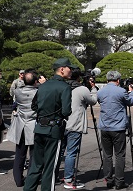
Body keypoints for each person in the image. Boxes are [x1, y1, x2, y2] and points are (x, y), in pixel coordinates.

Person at [23, 58, 73, 191]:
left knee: (36, 165)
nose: (71, 70)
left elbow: (34, 106)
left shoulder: (43, 85)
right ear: (62, 69)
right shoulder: (65, 87)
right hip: (53, 130)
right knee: (50, 167)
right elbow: (66, 111)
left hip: (39, 128)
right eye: (69, 68)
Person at [59, 67, 98, 189]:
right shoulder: (82, 89)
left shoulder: (62, 87)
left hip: (61, 123)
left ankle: (55, 175)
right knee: (71, 153)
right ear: (79, 77)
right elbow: (93, 101)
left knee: (60, 152)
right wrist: (93, 88)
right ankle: (69, 179)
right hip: (74, 124)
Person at [97, 70, 133, 190]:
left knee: (107, 155)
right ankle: (119, 181)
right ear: (118, 80)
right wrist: (131, 92)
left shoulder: (101, 91)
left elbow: (100, 101)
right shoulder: (121, 91)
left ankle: (108, 180)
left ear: (107, 80)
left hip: (104, 127)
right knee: (119, 155)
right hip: (118, 128)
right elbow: (130, 102)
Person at [6, 70, 41, 186]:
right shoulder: (38, 92)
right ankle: (31, 179)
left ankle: (18, 180)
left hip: (20, 125)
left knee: (19, 154)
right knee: (33, 155)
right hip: (33, 125)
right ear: (36, 81)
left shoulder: (17, 92)